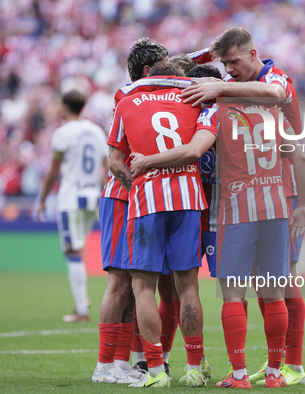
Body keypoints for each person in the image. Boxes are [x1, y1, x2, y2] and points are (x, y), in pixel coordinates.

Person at [180, 27, 305, 385]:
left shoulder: (271, 80)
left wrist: (220, 86)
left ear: (254, 55)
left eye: (233, 62)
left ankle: (290, 366)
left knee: (279, 284)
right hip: (275, 196)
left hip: (275, 195)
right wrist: (197, 59)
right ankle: (275, 369)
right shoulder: (237, 92)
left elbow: (276, 93)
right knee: (274, 285)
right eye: (223, 65)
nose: (228, 70)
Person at [111, 63, 216, 388]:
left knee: (144, 289)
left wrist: (136, 186)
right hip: (188, 198)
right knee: (187, 288)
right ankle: (195, 368)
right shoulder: (194, 99)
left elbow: (115, 162)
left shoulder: (127, 101)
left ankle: (155, 371)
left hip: (147, 201)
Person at [91, 37, 169, 384]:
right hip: (124, 197)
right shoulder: (130, 95)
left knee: (136, 283)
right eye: (165, 66)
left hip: (137, 198)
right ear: (149, 71)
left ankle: (121, 362)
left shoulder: (143, 97)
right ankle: (105, 366)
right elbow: (115, 163)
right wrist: (141, 192)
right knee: (120, 283)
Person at [37, 89, 109, 323]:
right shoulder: (96, 131)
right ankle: (84, 306)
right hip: (93, 196)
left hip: (71, 197)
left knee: (72, 252)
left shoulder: (62, 133)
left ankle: (81, 309)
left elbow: (53, 171)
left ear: (65, 107)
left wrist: (42, 199)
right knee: (81, 249)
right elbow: (106, 166)